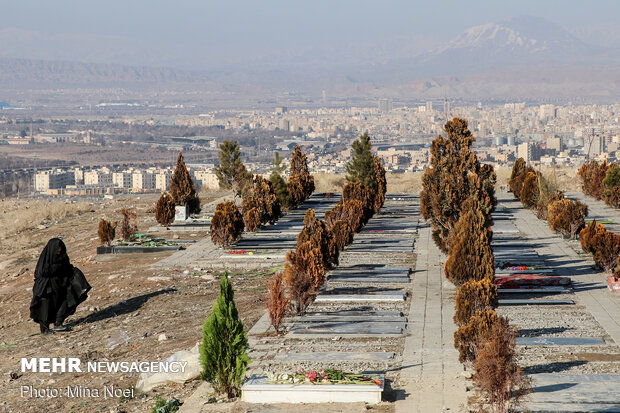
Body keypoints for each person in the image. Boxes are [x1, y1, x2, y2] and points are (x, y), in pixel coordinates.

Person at [30, 238, 73, 335]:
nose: (59, 250)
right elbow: (42, 273)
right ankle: (44, 329)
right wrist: (57, 268)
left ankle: (58, 324)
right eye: (57, 248)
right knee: (45, 307)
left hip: (60, 285)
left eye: (60, 247)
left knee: (65, 301)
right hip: (46, 287)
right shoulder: (45, 259)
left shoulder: (63, 257)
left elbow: (66, 268)